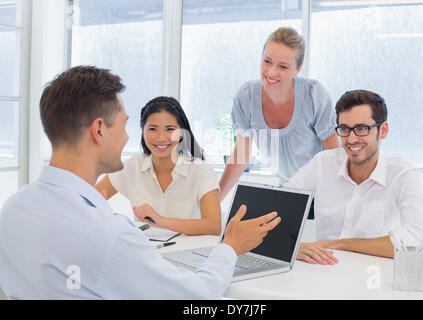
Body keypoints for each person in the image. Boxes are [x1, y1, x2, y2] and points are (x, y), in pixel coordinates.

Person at [0, 66, 281, 299]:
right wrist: (230, 246)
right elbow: (198, 296)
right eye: (123, 125)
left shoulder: (12, 210)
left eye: (169, 129)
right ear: (99, 130)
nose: (126, 138)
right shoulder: (113, 237)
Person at [286, 90, 423, 265]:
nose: (351, 139)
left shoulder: (403, 174)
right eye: (345, 129)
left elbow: (417, 240)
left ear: (383, 130)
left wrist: (341, 244)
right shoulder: (322, 163)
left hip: (373, 277)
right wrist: (293, 246)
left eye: (362, 129)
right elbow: (277, 210)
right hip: (322, 273)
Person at [219, 27, 339, 201]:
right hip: (286, 190)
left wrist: (337, 202)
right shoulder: (246, 97)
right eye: (267, 61)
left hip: (322, 191)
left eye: (283, 66)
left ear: (297, 69)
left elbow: (333, 156)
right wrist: (215, 202)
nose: (272, 72)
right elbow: (241, 156)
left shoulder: (314, 95)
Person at [96, 96, 221, 236]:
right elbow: (86, 199)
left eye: (170, 129)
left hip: (188, 255)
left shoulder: (201, 170)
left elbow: (213, 226)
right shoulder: (133, 166)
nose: (161, 138)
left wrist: (160, 220)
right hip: (144, 253)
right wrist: (117, 221)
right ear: (142, 131)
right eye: (153, 129)